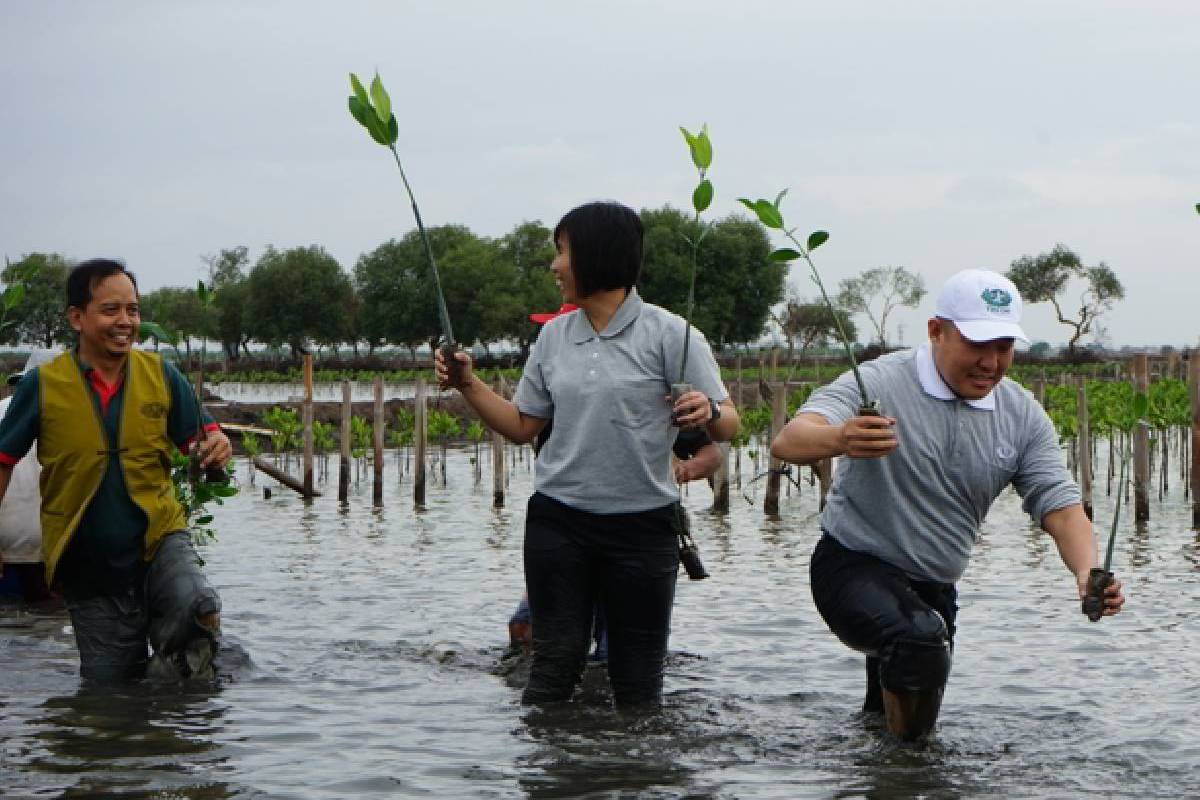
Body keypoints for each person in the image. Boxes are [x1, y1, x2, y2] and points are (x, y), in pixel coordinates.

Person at [770, 268, 1125, 740]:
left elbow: (1060, 507)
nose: (991, 363)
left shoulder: (1020, 415)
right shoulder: (879, 382)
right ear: (936, 331)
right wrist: (840, 437)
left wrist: (1087, 572)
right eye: (977, 345)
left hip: (935, 590)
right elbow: (788, 441)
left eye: (1003, 348)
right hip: (851, 566)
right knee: (917, 650)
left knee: (891, 715)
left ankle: (877, 778)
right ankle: (912, 781)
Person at [437, 201, 739, 707]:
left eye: (562, 252)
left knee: (638, 683)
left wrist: (706, 408)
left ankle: (631, 778)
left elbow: (729, 421)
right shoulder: (553, 337)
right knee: (551, 672)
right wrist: (468, 384)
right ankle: (551, 780)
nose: (554, 266)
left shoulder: (670, 334)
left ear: (596, 256)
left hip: (644, 528)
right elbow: (521, 425)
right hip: (560, 525)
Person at [0, 258, 234, 682]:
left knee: (197, 604)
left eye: (133, 310)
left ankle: (175, 698)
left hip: (159, 535)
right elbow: (3, 462)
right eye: (111, 310)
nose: (125, 321)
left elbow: (203, 438)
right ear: (77, 317)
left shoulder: (162, 376)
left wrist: (217, 448)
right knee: (110, 687)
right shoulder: (41, 385)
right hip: (85, 553)